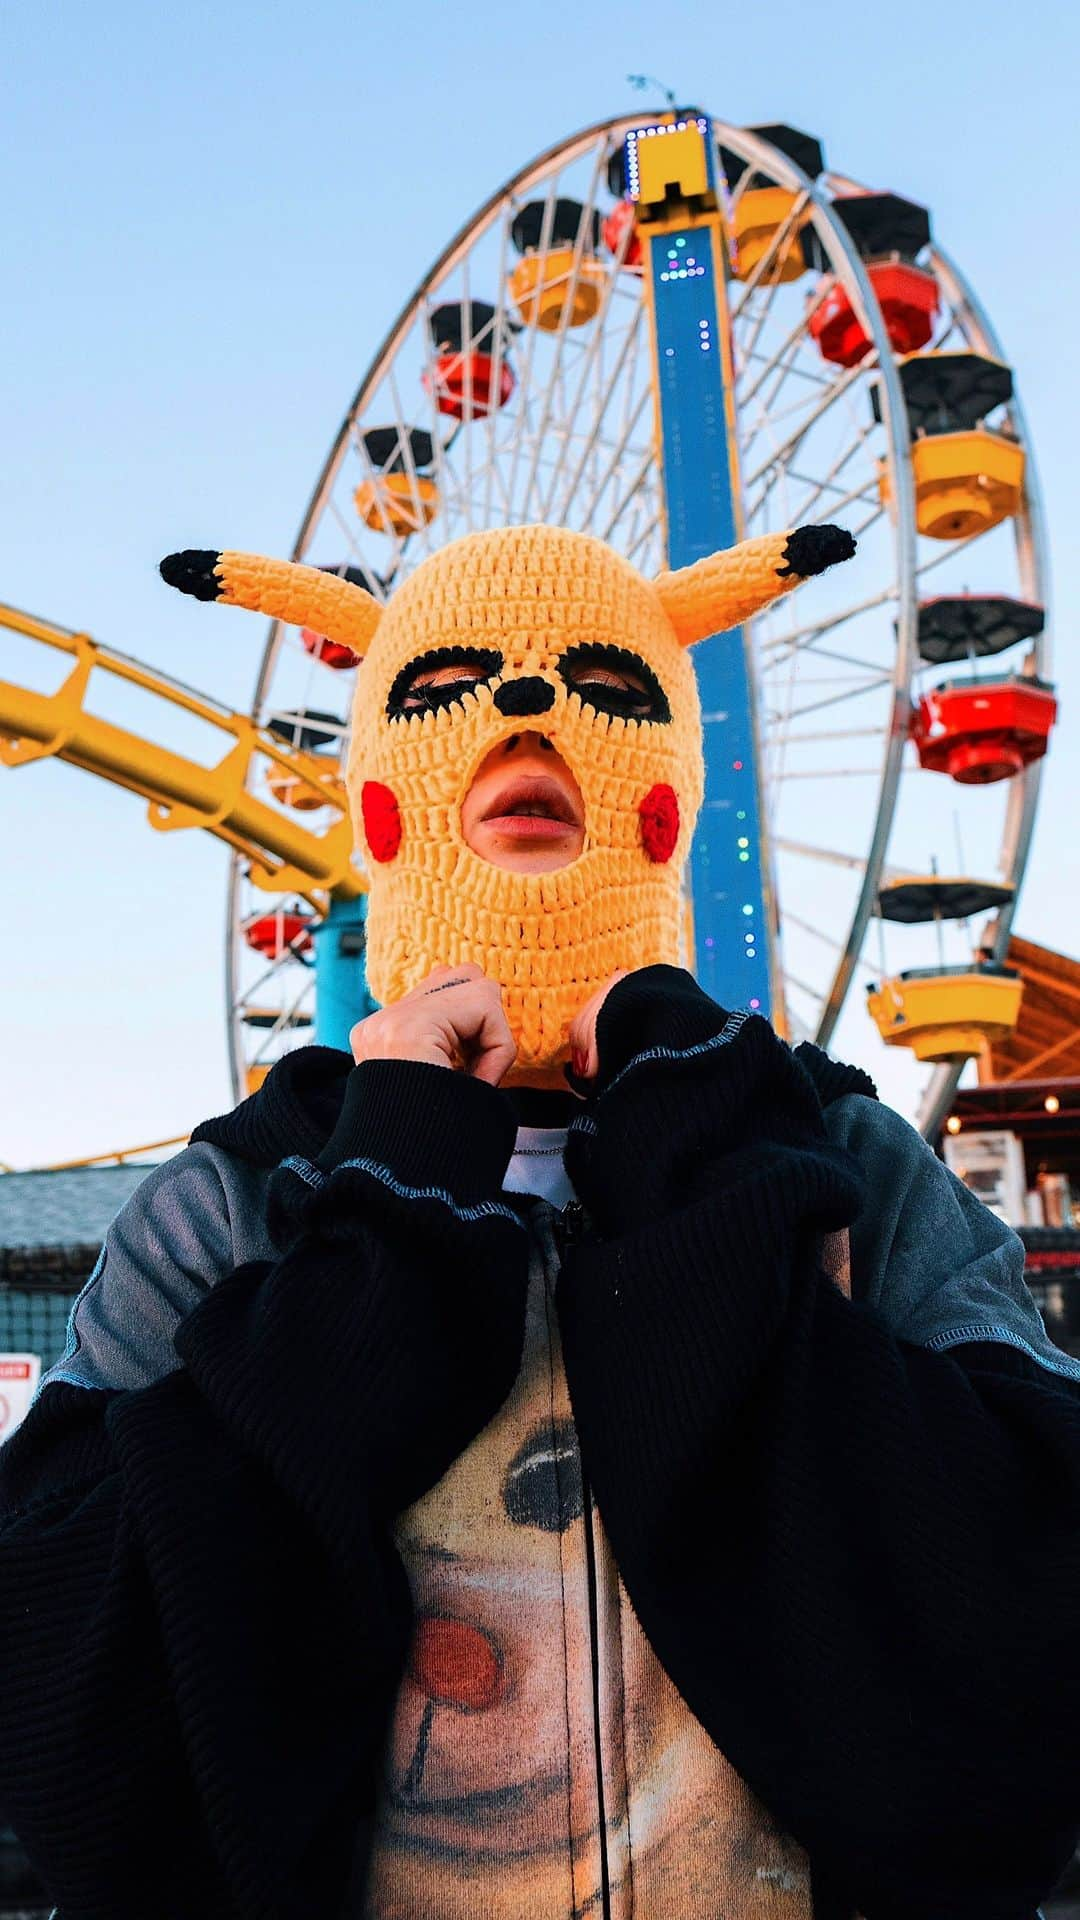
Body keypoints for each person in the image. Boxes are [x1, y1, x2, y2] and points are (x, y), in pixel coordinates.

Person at [2, 521, 1079, 1920]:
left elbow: (1034, 1636)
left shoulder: (847, 1162)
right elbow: (65, 1705)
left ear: (664, 806)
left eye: (609, 690)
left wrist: (705, 1157)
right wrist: (385, 1217)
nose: (529, 715)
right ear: (381, 801)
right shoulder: (238, 1196)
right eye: (452, 685)